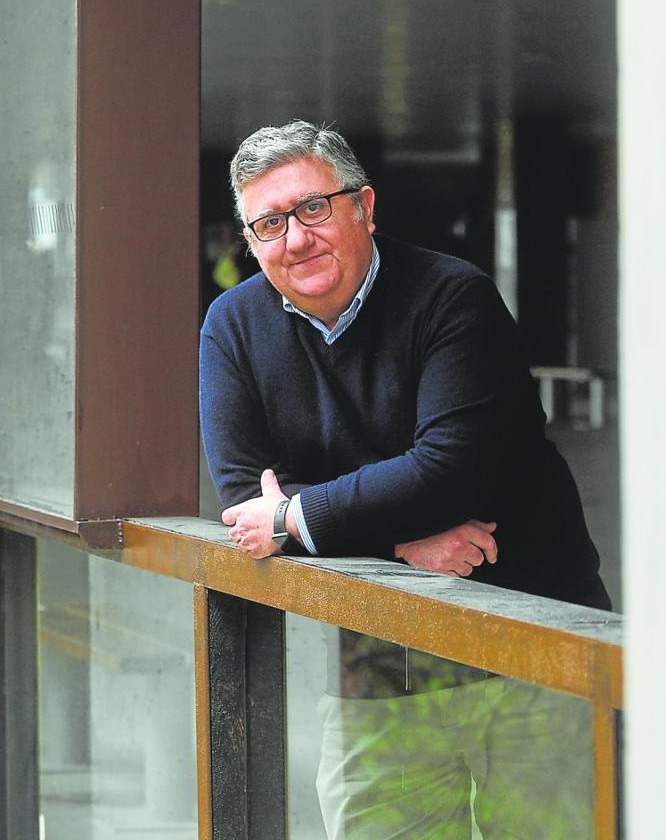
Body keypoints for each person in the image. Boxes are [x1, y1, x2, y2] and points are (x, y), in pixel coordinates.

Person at [199, 120, 608, 838]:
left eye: (313, 208)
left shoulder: (453, 297)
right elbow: (244, 501)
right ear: (252, 241)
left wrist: (296, 516)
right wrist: (398, 549)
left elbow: (449, 471)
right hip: (377, 664)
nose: (296, 239)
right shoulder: (232, 325)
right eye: (270, 223)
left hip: (532, 644)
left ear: (364, 206)